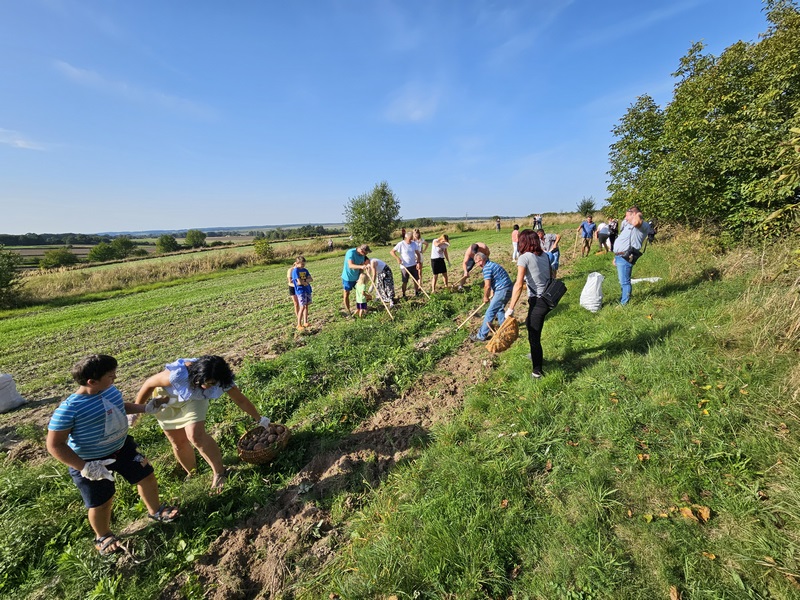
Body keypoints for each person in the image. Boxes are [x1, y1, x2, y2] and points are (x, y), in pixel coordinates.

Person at [47, 354, 179, 556]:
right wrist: (85, 467)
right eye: (110, 375)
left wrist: (145, 408)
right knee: (102, 501)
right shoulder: (69, 409)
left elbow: (119, 406)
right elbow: (54, 445)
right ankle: (103, 536)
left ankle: (156, 511)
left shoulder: (109, 390)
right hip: (91, 462)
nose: (115, 378)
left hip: (122, 449)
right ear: (92, 382)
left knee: (146, 476)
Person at [135, 355, 270, 493]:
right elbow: (149, 383)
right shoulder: (178, 375)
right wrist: (137, 410)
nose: (207, 386)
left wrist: (260, 419)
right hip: (165, 399)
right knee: (177, 442)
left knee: (195, 435)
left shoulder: (221, 379)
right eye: (205, 382)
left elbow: (241, 400)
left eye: (212, 384)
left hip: (193, 399)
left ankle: (220, 472)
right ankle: (192, 473)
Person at [505, 230, 553, 378]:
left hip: (538, 301)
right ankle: (535, 355)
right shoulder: (545, 255)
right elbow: (551, 276)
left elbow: (519, 285)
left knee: (534, 336)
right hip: (547, 298)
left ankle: (537, 371)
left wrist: (510, 308)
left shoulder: (524, 258)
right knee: (530, 324)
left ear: (523, 242)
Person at [470, 252, 513, 342]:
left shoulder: (487, 268)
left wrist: (485, 297)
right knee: (499, 309)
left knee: (490, 312)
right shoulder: (491, 264)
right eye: (476, 263)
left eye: (479, 262)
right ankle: (506, 329)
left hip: (502, 289)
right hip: (507, 288)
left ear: (483, 259)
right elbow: (496, 279)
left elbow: (487, 286)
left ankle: (481, 336)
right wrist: (493, 292)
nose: (478, 265)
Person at [613, 206, 648, 306]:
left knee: (625, 281)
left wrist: (638, 213)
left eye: (627, 215)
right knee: (622, 281)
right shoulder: (629, 225)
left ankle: (624, 304)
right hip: (620, 256)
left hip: (626, 256)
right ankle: (623, 298)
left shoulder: (641, 225)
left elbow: (637, 222)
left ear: (634, 214)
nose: (625, 218)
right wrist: (616, 256)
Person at [391, 231, 422, 298]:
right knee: (405, 281)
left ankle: (416, 293)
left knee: (416, 280)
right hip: (405, 266)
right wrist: (397, 258)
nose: (410, 240)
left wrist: (418, 262)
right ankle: (404, 295)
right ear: (406, 237)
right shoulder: (401, 244)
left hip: (413, 265)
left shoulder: (414, 244)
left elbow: (418, 253)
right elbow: (392, 252)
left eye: (411, 238)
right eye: (409, 239)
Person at [341, 244, 371, 315]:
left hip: (357, 277)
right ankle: (348, 311)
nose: (365, 255)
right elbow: (350, 265)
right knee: (346, 293)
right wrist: (361, 267)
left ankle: (360, 309)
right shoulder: (350, 253)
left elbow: (361, 265)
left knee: (361, 293)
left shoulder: (362, 255)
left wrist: (360, 276)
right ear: (362, 251)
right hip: (348, 277)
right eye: (365, 253)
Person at [291, 256, 313, 330]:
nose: (303, 265)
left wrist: (305, 281)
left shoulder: (305, 270)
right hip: (300, 291)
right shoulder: (295, 271)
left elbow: (311, 279)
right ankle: (299, 324)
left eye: (304, 264)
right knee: (302, 307)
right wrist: (305, 282)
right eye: (302, 264)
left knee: (306, 306)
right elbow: (299, 282)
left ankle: (305, 322)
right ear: (297, 263)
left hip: (307, 289)